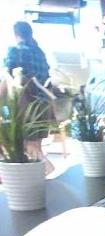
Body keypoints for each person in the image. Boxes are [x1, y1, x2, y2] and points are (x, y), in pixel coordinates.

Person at [2, 21, 52, 170]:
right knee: (35, 147)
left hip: (25, 106)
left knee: (26, 147)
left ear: (16, 34)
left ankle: (47, 169)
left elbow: (8, 78)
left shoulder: (15, 51)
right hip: (43, 106)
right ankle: (41, 174)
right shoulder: (39, 52)